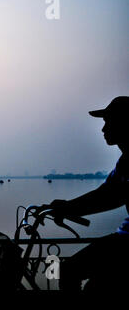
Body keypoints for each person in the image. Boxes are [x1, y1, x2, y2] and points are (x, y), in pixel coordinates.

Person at [48, 96, 129, 291]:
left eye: (108, 122)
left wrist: (68, 207)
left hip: (127, 241)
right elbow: (107, 193)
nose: (103, 129)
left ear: (125, 123)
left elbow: (109, 196)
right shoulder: (125, 161)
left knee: (70, 271)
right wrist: (68, 207)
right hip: (124, 237)